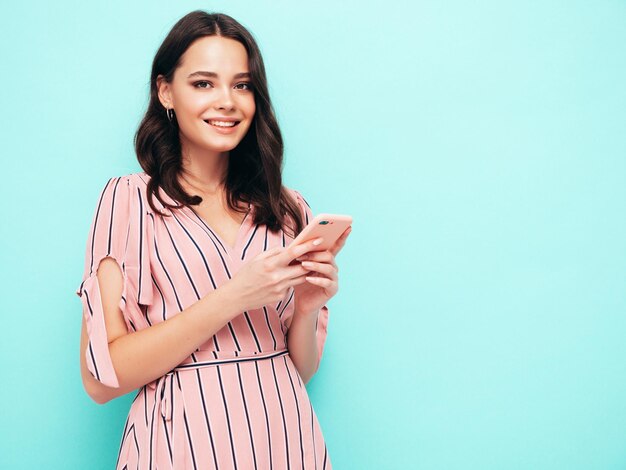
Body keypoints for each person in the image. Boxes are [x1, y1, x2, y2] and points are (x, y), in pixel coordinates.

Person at [75, 10, 351, 469]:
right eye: (203, 83)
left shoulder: (287, 207)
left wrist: (305, 307)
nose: (227, 101)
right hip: (178, 447)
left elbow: (297, 369)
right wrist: (235, 296)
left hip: (286, 441)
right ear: (165, 91)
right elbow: (101, 379)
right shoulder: (128, 202)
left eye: (241, 85)